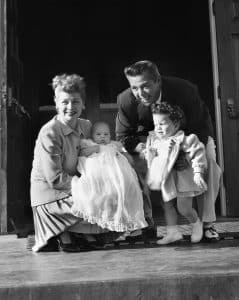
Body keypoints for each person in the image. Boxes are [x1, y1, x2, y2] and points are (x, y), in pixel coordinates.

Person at [115, 60, 221, 240]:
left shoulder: (185, 90)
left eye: (145, 86)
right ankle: (143, 223)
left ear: (157, 80)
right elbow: (123, 136)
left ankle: (207, 223)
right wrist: (143, 150)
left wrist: (181, 154)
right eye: (134, 88)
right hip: (152, 141)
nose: (139, 93)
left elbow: (199, 128)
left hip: (189, 136)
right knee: (126, 161)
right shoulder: (125, 100)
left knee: (208, 159)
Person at [30, 74, 108, 252]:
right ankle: (64, 232)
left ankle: (78, 232)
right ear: (56, 102)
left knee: (112, 194)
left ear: (83, 104)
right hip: (51, 196)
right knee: (94, 200)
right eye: (65, 102)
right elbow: (55, 179)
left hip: (75, 186)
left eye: (76, 101)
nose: (70, 107)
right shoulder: (49, 132)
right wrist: (87, 187)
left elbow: (96, 153)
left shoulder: (86, 126)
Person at [144, 102, 209, 244]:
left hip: (183, 180)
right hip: (167, 180)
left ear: (175, 124)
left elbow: (198, 153)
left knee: (183, 208)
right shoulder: (156, 141)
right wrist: (149, 154)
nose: (158, 128)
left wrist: (198, 172)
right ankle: (173, 232)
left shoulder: (185, 140)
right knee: (167, 205)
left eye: (162, 124)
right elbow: (154, 159)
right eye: (156, 124)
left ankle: (196, 223)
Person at [71, 121, 148, 236]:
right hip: (102, 176)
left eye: (106, 134)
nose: (103, 137)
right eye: (99, 134)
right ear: (92, 136)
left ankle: (131, 224)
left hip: (118, 175)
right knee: (107, 196)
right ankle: (110, 224)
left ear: (110, 136)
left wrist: (128, 159)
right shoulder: (88, 144)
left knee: (130, 192)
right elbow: (82, 153)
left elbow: (125, 154)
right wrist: (94, 149)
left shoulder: (114, 145)